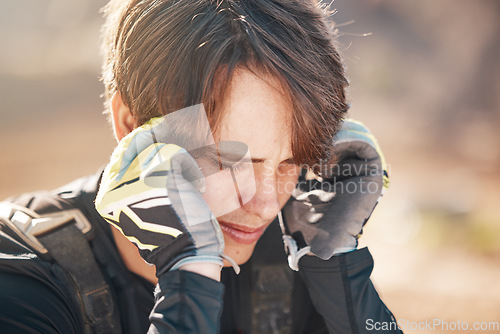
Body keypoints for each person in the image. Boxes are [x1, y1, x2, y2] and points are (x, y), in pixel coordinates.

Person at [0, 0, 402, 333]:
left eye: (291, 162)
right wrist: (189, 273)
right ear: (130, 124)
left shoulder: (300, 251)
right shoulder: (19, 275)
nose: (264, 205)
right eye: (229, 160)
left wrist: (339, 270)